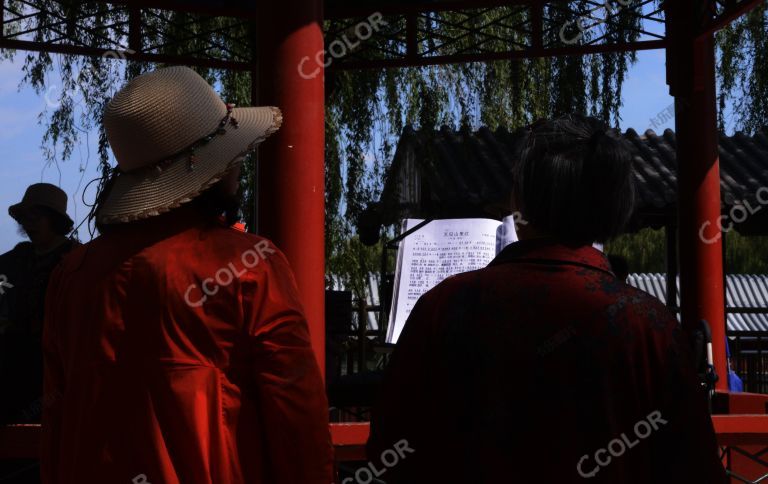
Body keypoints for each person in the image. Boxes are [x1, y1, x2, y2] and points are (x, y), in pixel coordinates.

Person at [367, 114, 727, 483]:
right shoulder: (649, 325)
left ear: (519, 201)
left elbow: (390, 451)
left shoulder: (441, 307)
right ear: (616, 208)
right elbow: (695, 466)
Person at [41, 67, 333, 484]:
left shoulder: (71, 274)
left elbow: (57, 416)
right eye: (232, 153)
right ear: (205, 169)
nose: (239, 164)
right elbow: (296, 417)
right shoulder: (250, 266)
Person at [0, 183, 77, 483]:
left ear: (53, 219)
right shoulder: (9, 264)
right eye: (25, 218)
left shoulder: (77, 263)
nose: (29, 224)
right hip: (13, 375)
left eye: (36, 216)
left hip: (60, 374)